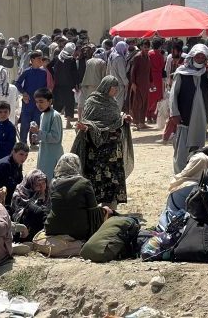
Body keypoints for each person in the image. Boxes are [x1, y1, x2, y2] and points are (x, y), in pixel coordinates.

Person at [73, 76, 134, 209]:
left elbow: (115, 119)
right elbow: (87, 121)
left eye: (117, 88)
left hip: (113, 150)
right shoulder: (92, 101)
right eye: (114, 88)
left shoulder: (113, 102)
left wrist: (124, 118)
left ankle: (110, 208)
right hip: (97, 150)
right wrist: (87, 127)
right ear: (106, 87)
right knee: (97, 179)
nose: (116, 90)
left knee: (112, 179)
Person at [169, 44, 208, 173]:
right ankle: (180, 175)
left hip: (201, 118)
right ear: (192, 56)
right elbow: (173, 94)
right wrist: (174, 113)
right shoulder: (182, 72)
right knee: (182, 150)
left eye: (203, 57)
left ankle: (193, 174)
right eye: (197, 56)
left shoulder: (207, 73)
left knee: (197, 149)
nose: (200, 59)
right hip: (185, 117)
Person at [45, 153, 110, 241]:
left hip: (53, 228)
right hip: (79, 230)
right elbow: (93, 211)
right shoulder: (84, 183)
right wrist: (105, 211)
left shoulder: (53, 183)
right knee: (106, 210)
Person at [15, 51, 47, 145]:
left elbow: (45, 87)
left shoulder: (44, 73)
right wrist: (24, 93)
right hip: (28, 102)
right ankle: (23, 143)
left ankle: (34, 142)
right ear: (32, 60)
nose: (41, 61)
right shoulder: (27, 72)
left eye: (41, 59)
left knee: (36, 122)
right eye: (38, 59)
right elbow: (17, 83)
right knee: (25, 123)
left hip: (39, 103)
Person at [31, 88, 63, 181]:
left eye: (41, 101)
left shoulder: (55, 116)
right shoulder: (43, 115)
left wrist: (38, 132)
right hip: (44, 154)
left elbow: (55, 138)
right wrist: (36, 138)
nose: (38, 104)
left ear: (50, 101)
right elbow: (44, 135)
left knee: (52, 181)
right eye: (36, 102)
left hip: (52, 155)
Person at [10, 169, 49, 241]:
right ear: (30, 184)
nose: (42, 187)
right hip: (23, 230)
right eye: (38, 184)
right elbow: (17, 216)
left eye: (44, 183)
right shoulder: (20, 195)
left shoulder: (45, 193)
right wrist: (37, 204)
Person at [50, 42, 78, 129]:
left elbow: (48, 66)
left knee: (57, 104)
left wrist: (53, 76)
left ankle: (54, 123)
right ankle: (68, 123)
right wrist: (76, 84)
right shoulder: (72, 60)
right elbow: (74, 73)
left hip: (58, 85)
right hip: (69, 86)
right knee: (69, 103)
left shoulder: (57, 58)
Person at [0, 142, 29, 206]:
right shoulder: (5, 165)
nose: (24, 158)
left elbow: (19, 180)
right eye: (21, 154)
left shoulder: (18, 162)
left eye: (26, 155)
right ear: (13, 152)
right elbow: (9, 186)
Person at [131, 40, 152, 130]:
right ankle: (136, 122)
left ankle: (142, 122)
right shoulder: (137, 57)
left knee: (145, 103)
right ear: (141, 47)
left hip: (146, 84)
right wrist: (133, 83)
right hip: (138, 84)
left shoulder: (148, 57)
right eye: (145, 47)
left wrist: (151, 82)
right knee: (137, 103)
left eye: (148, 47)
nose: (146, 49)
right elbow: (133, 71)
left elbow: (149, 70)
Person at [107, 41, 130, 111]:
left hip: (111, 82)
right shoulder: (119, 58)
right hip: (119, 84)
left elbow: (107, 70)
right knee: (118, 103)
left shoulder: (111, 56)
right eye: (125, 49)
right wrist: (126, 83)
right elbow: (122, 73)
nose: (125, 51)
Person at [147, 39, 165, 124]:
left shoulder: (149, 54)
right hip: (158, 77)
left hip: (150, 77)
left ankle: (148, 116)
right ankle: (154, 116)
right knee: (157, 97)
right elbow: (162, 66)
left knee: (150, 96)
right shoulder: (160, 55)